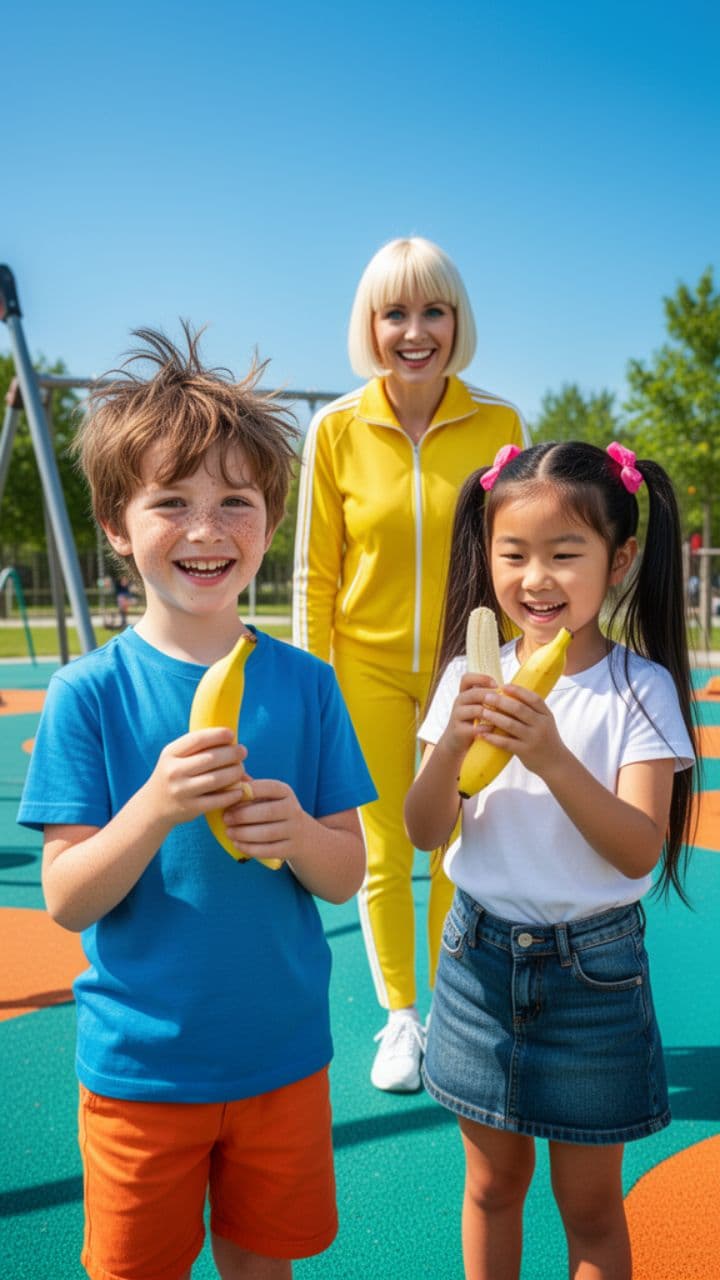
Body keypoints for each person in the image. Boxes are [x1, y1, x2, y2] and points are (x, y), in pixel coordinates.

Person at [18, 327, 376, 1280]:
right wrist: (153, 808)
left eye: (235, 502)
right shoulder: (88, 694)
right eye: (171, 502)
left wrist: (298, 833)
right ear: (115, 524)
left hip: (283, 1059)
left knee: (264, 1264)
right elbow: (68, 898)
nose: (207, 530)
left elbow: (346, 874)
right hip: (142, 1070)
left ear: (271, 519)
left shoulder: (308, 685)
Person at [404, 440, 697, 1280]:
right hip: (477, 963)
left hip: (593, 975)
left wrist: (552, 756)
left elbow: (638, 848)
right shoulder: (470, 677)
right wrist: (451, 743)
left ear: (620, 559)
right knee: (492, 1186)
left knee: (591, 1208)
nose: (536, 579)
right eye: (513, 554)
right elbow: (424, 829)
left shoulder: (640, 688)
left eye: (565, 554)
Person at [293, 236, 526, 1092]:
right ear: (371, 324)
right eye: (395, 313)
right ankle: (402, 1018)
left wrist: (523, 661)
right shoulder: (336, 429)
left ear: (458, 321)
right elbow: (314, 573)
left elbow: (519, 549)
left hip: (468, 667)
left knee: (461, 838)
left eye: (434, 311)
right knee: (386, 844)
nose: (415, 331)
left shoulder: (501, 426)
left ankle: (455, 1007)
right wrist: (311, 688)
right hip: (364, 668)